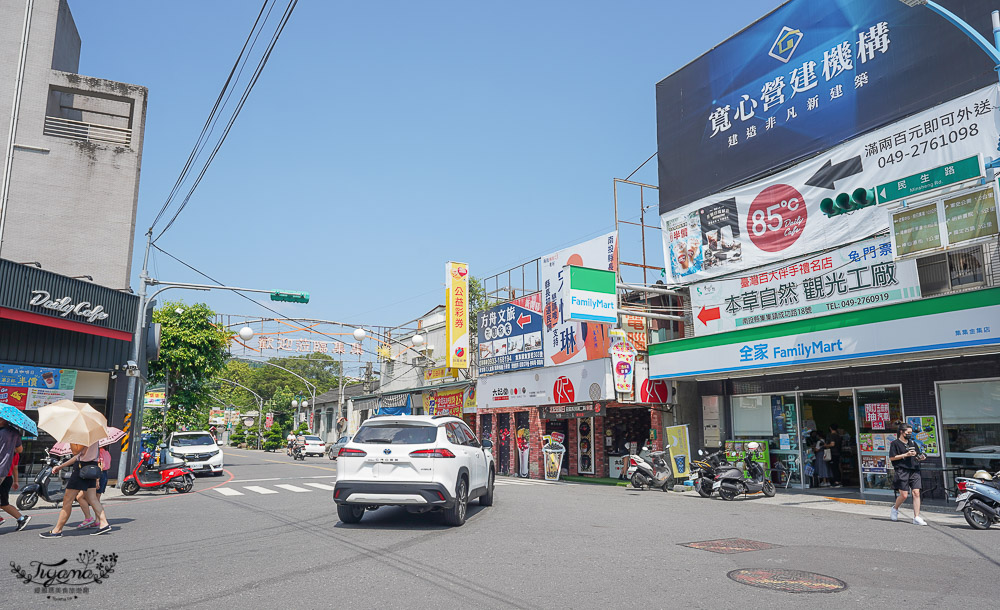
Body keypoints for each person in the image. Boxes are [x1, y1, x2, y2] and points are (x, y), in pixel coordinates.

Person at [40, 441, 111, 538]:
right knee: (92, 498)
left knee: (67, 500)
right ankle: (104, 523)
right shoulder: (92, 436)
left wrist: (72, 439)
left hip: (81, 469)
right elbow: (78, 456)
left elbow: (75, 452)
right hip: (91, 467)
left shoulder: (83, 434)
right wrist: (61, 466)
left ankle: (57, 530)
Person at [889, 423, 927, 526]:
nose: (910, 434)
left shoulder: (913, 443)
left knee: (916, 493)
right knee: (904, 495)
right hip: (902, 470)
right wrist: (905, 455)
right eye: (908, 433)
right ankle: (895, 508)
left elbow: (917, 455)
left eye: (911, 433)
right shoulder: (895, 443)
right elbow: (892, 457)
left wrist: (921, 457)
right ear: (902, 432)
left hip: (914, 469)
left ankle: (916, 517)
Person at [0, 419, 31, 531]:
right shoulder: (14, 432)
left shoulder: (2, 432)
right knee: (3, 503)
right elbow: (20, 449)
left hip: (3, 473)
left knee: (3, 503)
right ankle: (21, 518)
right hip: (6, 474)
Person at [77, 445, 112, 529]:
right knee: (96, 499)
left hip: (97, 475)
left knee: (80, 497)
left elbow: (100, 466)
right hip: (104, 474)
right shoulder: (106, 452)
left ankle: (89, 518)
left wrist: (97, 480)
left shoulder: (98, 452)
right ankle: (97, 520)